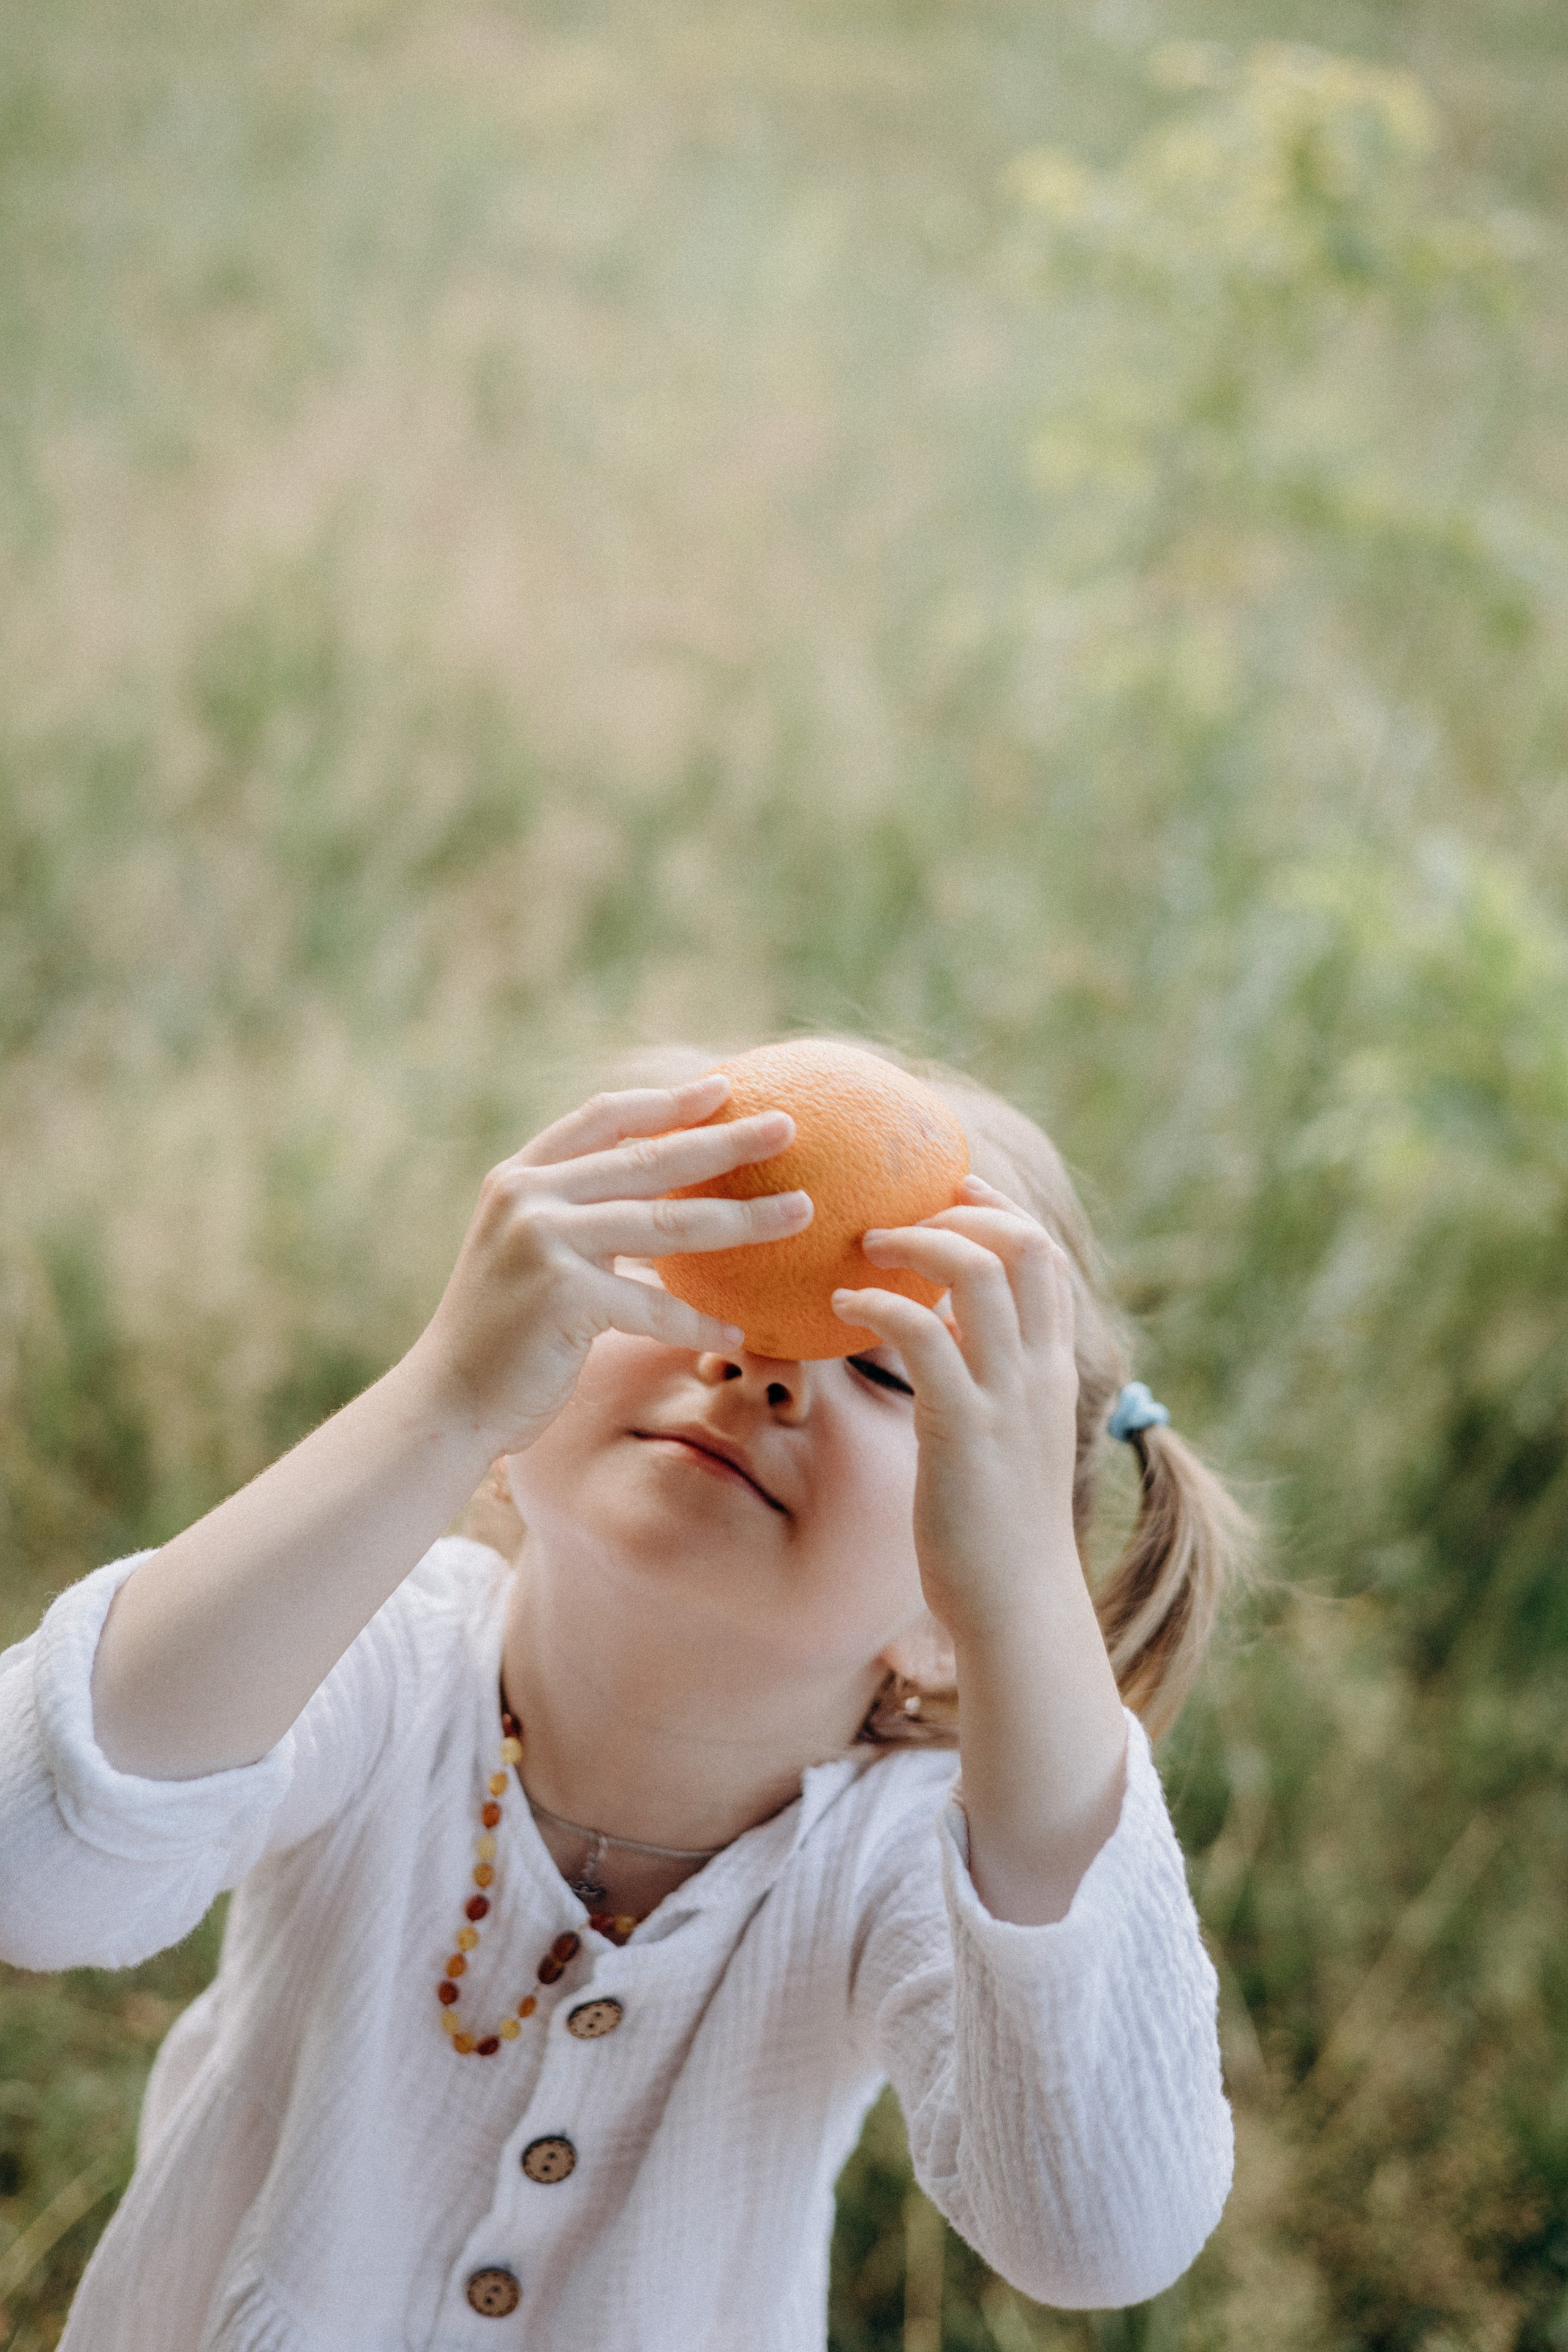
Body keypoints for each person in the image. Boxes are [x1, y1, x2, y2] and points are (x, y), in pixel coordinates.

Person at [0, 1037, 1246, 2351]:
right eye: (703, 1284)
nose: (767, 1368)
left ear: (954, 1623)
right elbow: (32, 1864)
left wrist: (1022, 1617)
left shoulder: (893, 1859)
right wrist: (437, 1403)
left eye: (889, 1372)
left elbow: (1095, 2230)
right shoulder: (381, 1655)